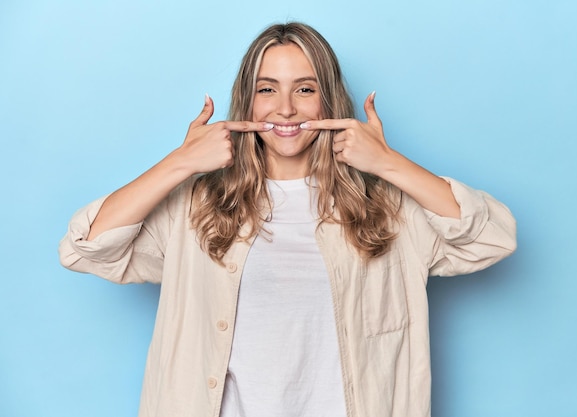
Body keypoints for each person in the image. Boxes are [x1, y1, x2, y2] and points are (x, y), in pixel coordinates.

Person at [59, 22, 516, 417]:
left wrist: (388, 163)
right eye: (266, 89)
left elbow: (493, 238)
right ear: (248, 102)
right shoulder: (197, 209)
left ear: (327, 100)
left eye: (304, 88)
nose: (285, 109)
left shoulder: (386, 210)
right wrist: (180, 163)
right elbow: (87, 246)